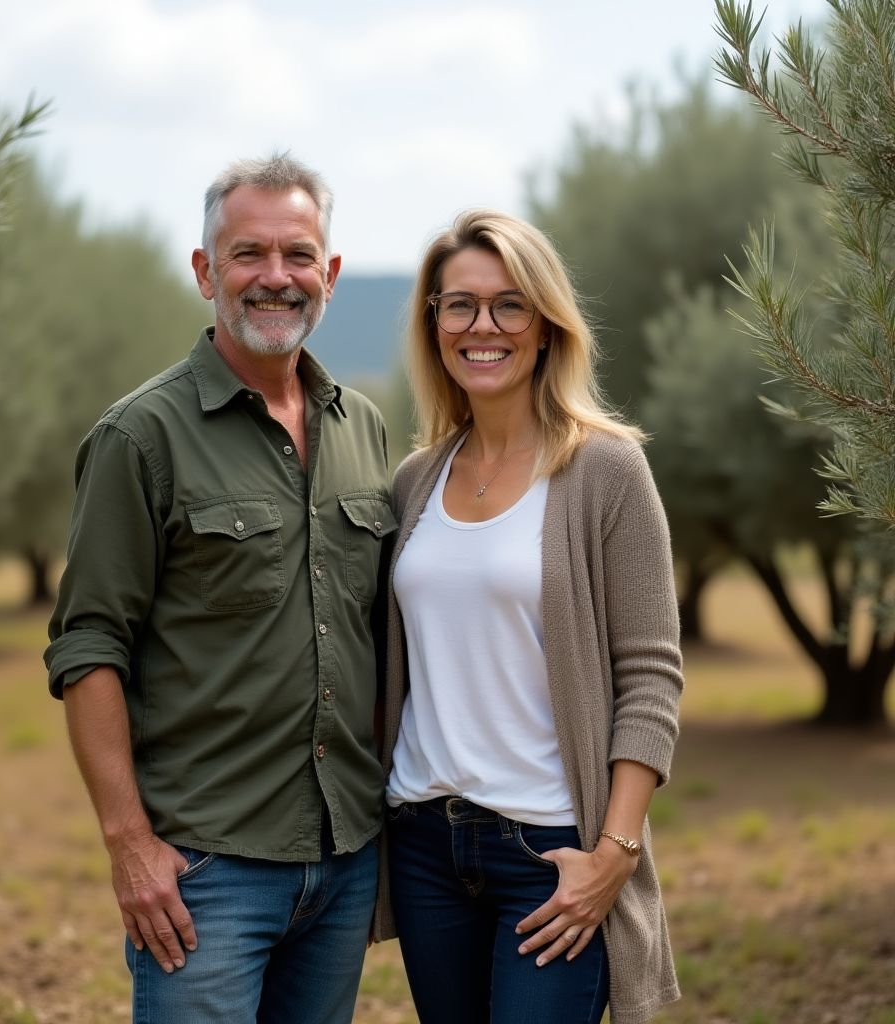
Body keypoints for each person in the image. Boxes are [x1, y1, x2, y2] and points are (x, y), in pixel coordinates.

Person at [44, 152, 395, 1024]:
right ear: (206, 271)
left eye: (299, 255)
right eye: (248, 254)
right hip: (207, 872)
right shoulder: (140, 437)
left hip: (346, 859)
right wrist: (129, 845)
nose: (275, 277)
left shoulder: (367, 432)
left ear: (332, 275)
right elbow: (88, 644)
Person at [372, 209, 683, 1024]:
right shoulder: (414, 482)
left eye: (510, 304)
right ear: (434, 323)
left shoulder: (607, 470)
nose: (484, 326)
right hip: (426, 846)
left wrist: (612, 854)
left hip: (549, 851)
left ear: (546, 327)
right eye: (460, 304)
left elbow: (650, 676)